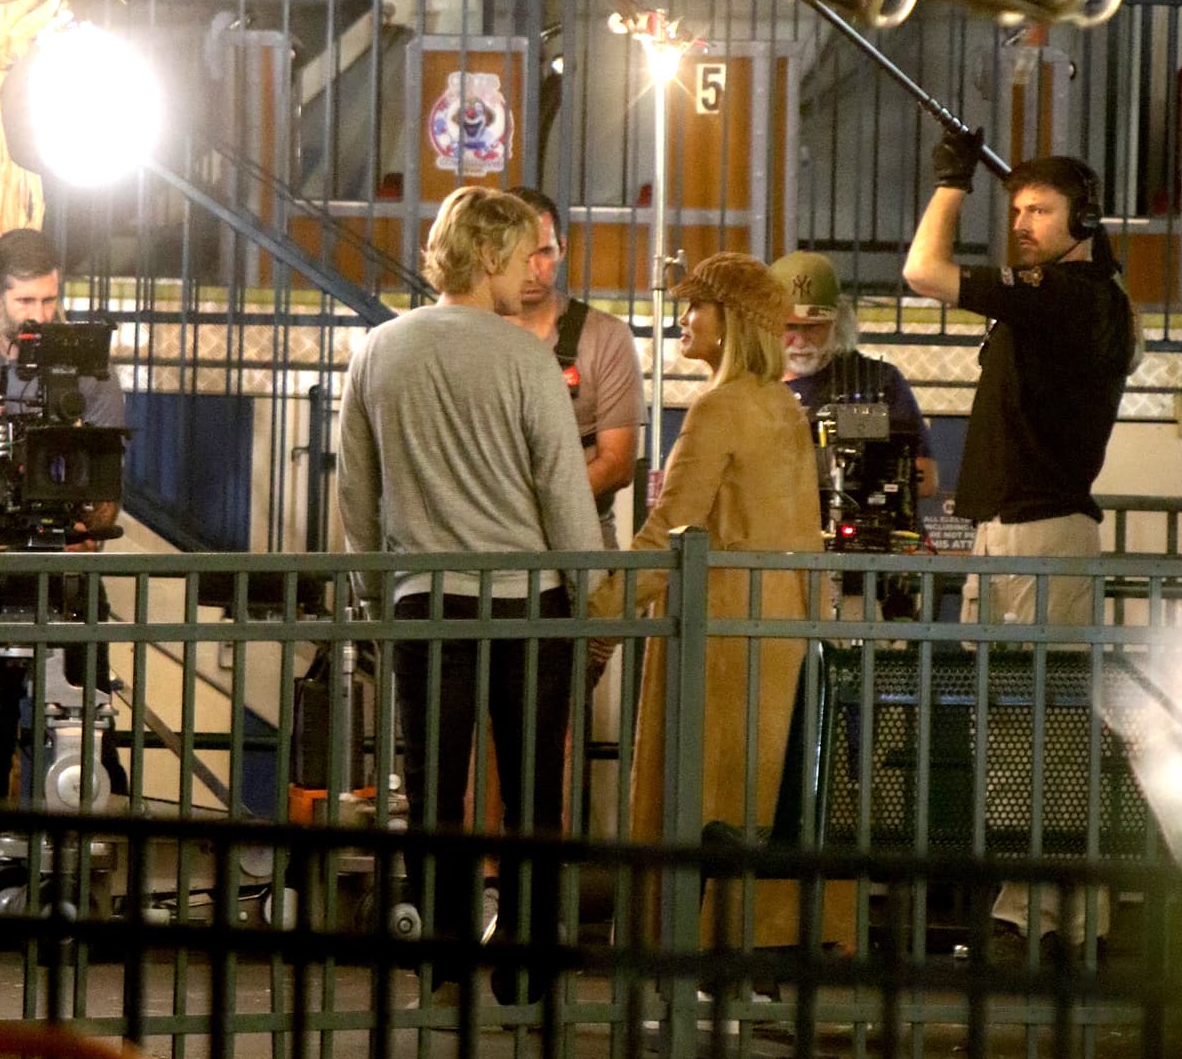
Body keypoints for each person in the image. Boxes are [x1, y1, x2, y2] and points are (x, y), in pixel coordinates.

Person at [337, 186, 604, 1004]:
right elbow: (566, 497)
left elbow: (358, 500)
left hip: (423, 603)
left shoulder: (378, 351)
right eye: (528, 253)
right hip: (530, 605)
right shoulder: (526, 356)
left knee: (435, 792)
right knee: (532, 796)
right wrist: (596, 606)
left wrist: (373, 607)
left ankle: (445, 960)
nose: (538, 270)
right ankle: (524, 966)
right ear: (490, 257)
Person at [903, 139, 1135, 957]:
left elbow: (923, 272)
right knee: (1019, 730)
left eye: (1041, 211)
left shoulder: (1070, 293)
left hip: (1040, 533)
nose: (1024, 225)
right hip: (1013, 530)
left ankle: (1038, 915)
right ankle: (1055, 914)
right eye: (1017, 211)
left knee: (1042, 730)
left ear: (1083, 222)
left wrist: (949, 183)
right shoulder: (1069, 294)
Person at [589, 253, 853, 950]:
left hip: (721, 645)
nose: (684, 317)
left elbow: (666, 539)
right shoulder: (780, 404)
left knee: (704, 807)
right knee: (763, 806)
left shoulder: (717, 408)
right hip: (782, 635)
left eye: (697, 306)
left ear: (731, 320)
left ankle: (693, 966)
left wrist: (592, 616)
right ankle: (751, 958)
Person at [0, 228, 127, 823]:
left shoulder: (94, 378)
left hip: (67, 577)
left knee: (94, 750)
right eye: (25, 302)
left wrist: (77, 492)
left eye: (49, 300)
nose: (40, 316)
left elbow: (107, 506)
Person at [507, 187, 645, 548]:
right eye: (520, 255)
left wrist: (532, 508)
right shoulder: (472, 335)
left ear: (562, 248)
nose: (533, 270)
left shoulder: (605, 337)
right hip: (490, 543)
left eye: (544, 252)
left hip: (583, 538)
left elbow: (618, 463)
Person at [770, 249, 938, 501]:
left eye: (814, 327)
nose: (801, 340)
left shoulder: (880, 381)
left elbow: (926, 478)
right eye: (789, 327)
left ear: (838, 323)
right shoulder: (750, 386)